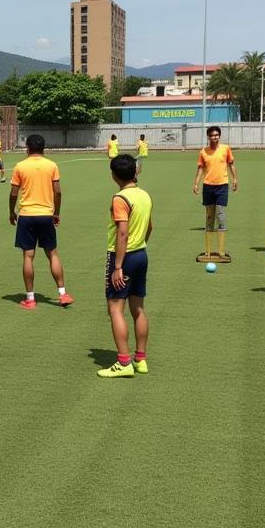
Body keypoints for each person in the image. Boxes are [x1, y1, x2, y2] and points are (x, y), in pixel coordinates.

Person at [98, 154, 153, 378]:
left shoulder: (120, 199)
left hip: (123, 257)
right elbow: (150, 227)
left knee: (115, 308)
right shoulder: (144, 195)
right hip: (141, 254)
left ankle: (123, 362)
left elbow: (122, 231)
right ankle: (141, 359)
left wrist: (118, 265)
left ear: (114, 175)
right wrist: (139, 245)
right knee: (138, 308)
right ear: (135, 172)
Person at [8, 134, 73, 309]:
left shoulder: (20, 166)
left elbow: (14, 193)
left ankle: (30, 298)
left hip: (27, 215)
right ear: (43, 148)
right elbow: (58, 191)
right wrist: (56, 212)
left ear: (27, 148)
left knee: (28, 256)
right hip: (46, 214)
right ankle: (62, 293)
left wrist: (11, 212)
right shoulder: (51, 165)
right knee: (52, 254)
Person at [192, 126, 238, 259]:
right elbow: (200, 168)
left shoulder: (225, 149)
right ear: (208, 137)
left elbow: (231, 164)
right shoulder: (203, 152)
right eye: (212, 135)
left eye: (217, 135)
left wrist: (235, 179)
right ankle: (208, 251)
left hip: (222, 186)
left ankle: (221, 252)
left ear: (219, 136)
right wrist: (196, 183)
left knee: (221, 215)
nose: (215, 137)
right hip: (208, 186)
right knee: (209, 217)